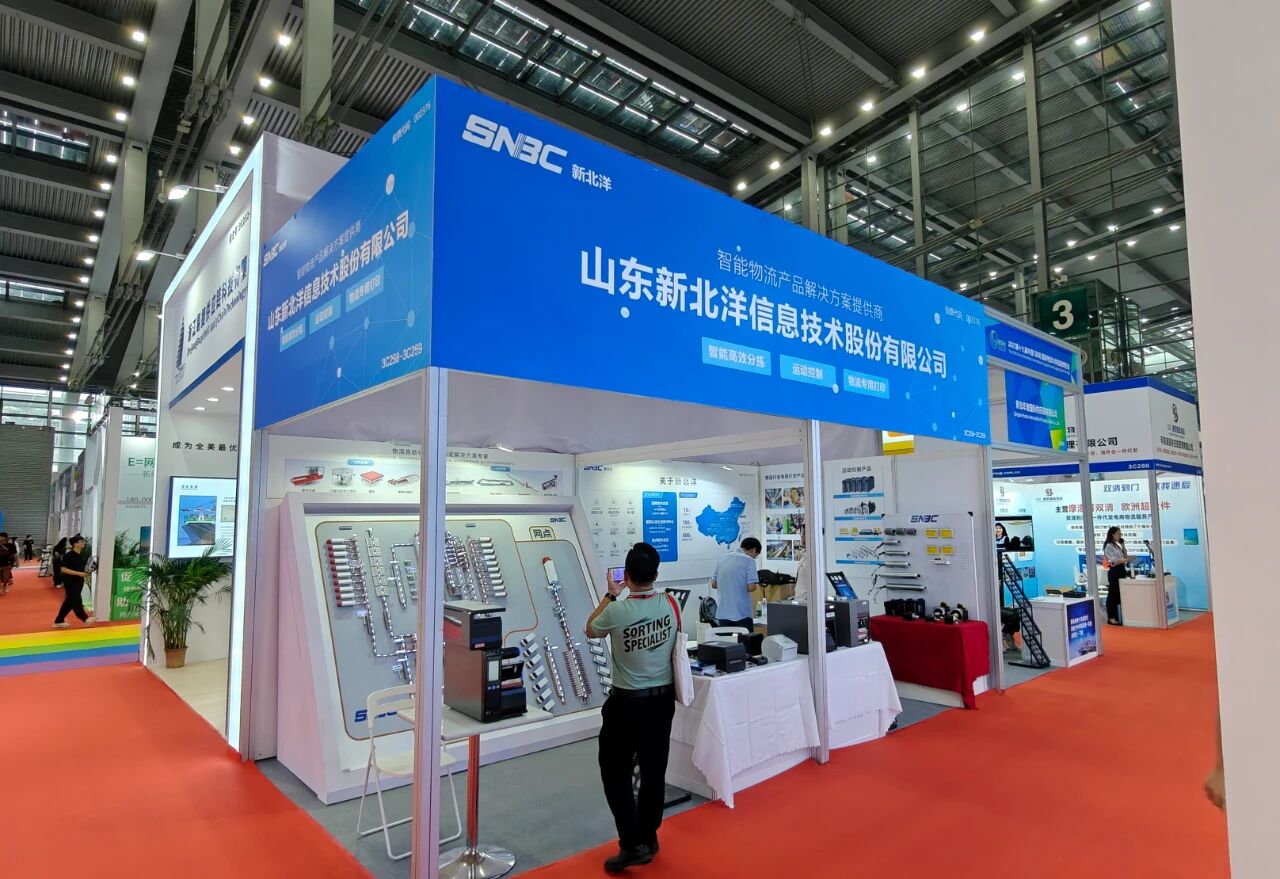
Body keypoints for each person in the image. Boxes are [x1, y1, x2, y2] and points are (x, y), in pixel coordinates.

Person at [585, 542, 677, 874]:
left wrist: (611, 595)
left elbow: (590, 628)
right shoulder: (670, 604)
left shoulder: (617, 610)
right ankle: (648, 837)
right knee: (654, 771)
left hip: (626, 703)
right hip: (662, 701)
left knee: (615, 771)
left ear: (626, 575)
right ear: (656, 574)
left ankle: (631, 843)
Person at [708, 537, 761, 630]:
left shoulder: (723, 558)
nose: (754, 558)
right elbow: (751, 587)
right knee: (746, 639)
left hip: (723, 612)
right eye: (755, 556)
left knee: (725, 639)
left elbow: (714, 584)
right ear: (754, 550)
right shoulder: (749, 560)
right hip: (741, 613)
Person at [53, 535, 92, 628]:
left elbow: (84, 568)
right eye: (81, 541)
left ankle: (59, 620)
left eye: (83, 541)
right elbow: (63, 569)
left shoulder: (82, 555)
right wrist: (78, 573)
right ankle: (85, 618)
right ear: (75, 544)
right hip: (70, 581)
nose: (83, 543)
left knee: (69, 602)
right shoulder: (68, 555)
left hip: (79, 581)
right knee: (76, 600)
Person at [1103, 526, 1134, 625]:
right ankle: (1111, 617)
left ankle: (1119, 617)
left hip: (1121, 570)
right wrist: (1126, 560)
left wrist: (1123, 545)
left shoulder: (1117, 545)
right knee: (1113, 594)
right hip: (1115, 571)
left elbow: (1125, 556)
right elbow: (1114, 561)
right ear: (1113, 534)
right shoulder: (1108, 546)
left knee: (1119, 594)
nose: (1120, 536)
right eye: (1118, 534)